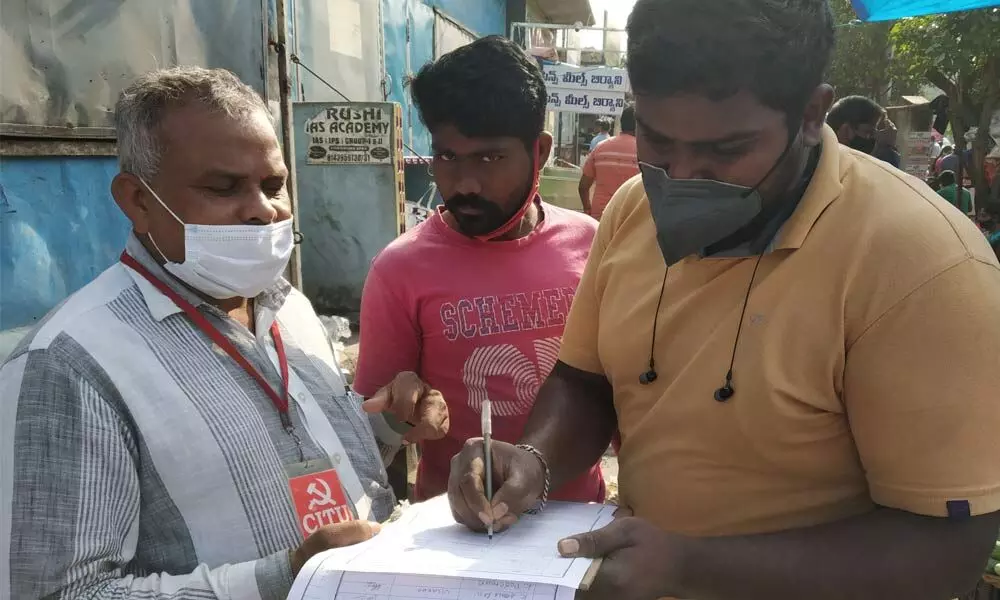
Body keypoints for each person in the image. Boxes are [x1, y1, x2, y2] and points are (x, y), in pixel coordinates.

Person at [447, 1, 1000, 599]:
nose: (680, 176)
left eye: (726, 150)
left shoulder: (921, 265)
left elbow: (947, 548)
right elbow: (587, 382)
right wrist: (534, 460)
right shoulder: (633, 210)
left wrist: (691, 566)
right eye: (657, 139)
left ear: (812, 114)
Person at [0, 66, 448, 600]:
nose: (262, 210)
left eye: (274, 185)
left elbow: (298, 455)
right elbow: (55, 593)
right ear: (138, 201)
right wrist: (284, 576)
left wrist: (391, 427)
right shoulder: (70, 366)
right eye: (223, 187)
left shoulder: (290, 310)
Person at [353, 37, 605, 504]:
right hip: (458, 535)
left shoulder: (593, 245)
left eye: (491, 158)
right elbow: (369, 434)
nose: (465, 183)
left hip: (577, 525)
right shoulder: (400, 270)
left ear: (541, 151)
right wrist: (397, 416)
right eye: (448, 156)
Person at [579, 105, 640, 220]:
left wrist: (588, 209)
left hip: (600, 217)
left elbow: (583, 186)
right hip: (630, 220)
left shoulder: (600, 148)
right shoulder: (645, 153)